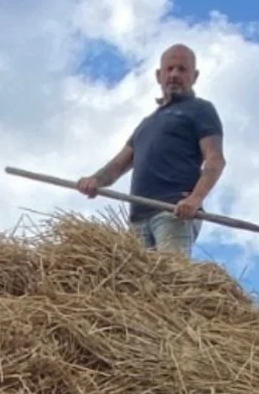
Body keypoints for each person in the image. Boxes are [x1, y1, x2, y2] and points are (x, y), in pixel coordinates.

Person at [77, 43, 226, 256]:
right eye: (170, 69)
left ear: (195, 76)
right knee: (134, 284)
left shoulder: (200, 110)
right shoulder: (147, 123)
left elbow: (215, 160)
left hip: (173, 212)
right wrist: (95, 180)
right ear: (159, 75)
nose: (174, 74)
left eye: (182, 69)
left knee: (169, 277)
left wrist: (195, 199)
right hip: (138, 217)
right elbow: (119, 164)